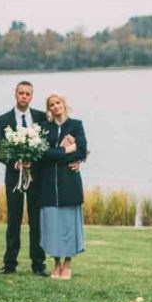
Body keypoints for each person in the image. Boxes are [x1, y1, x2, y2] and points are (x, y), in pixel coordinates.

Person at [0, 80, 48, 276]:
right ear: (15, 94)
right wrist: (15, 163)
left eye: (27, 94)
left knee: (36, 220)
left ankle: (38, 264)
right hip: (14, 177)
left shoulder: (41, 118)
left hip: (36, 177)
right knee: (13, 219)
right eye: (21, 93)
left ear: (31, 96)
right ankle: (9, 264)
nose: (24, 96)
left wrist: (33, 161)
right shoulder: (3, 120)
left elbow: (46, 147)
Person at [37, 93, 88, 279]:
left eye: (58, 103)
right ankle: (56, 263)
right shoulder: (45, 128)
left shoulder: (76, 125)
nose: (56, 106)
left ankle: (68, 263)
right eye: (52, 104)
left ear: (64, 104)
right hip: (49, 185)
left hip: (69, 183)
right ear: (49, 108)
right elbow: (42, 154)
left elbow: (82, 150)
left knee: (68, 226)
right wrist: (67, 150)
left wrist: (61, 155)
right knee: (53, 226)